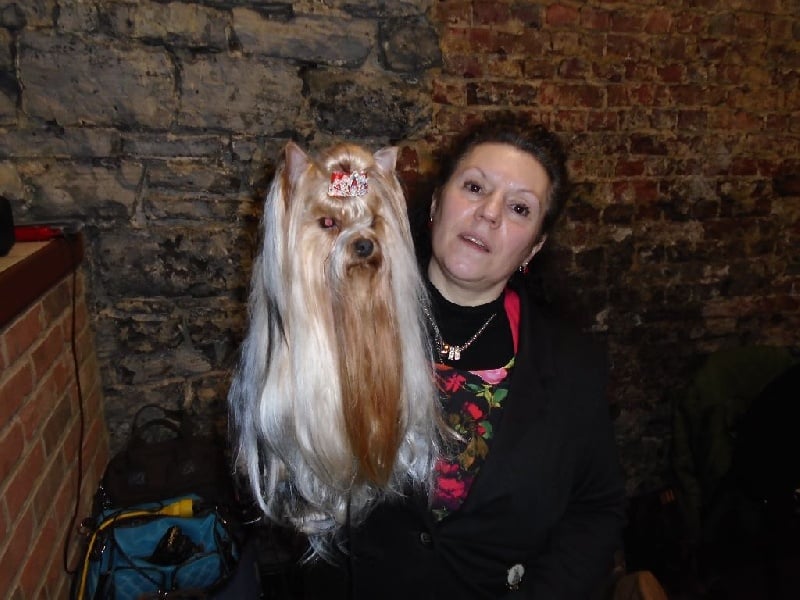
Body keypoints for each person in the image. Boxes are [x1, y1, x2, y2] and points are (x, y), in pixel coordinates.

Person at [303, 115, 627, 599]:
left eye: (519, 208)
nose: (489, 213)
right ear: (436, 203)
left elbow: (595, 509)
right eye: (474, 187)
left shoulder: (573, 365)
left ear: (534, 247)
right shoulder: (334, 325)